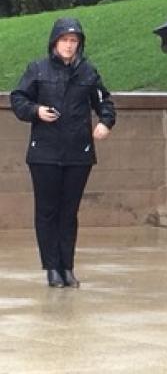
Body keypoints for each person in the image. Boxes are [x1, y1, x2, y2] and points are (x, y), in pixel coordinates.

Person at [10, 17, 116, 289]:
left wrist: (105, 122)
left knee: (69, 212)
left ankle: (67, 266)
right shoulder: (38, 68)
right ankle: (52, 268)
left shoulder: (88, 72)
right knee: (47, 211)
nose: (69, 46)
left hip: (77, 153)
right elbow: (19, 98)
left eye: (74, 41)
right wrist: (36, 111)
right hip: (44, 152)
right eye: (64, 40)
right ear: (55, 42)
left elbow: (105, 102)